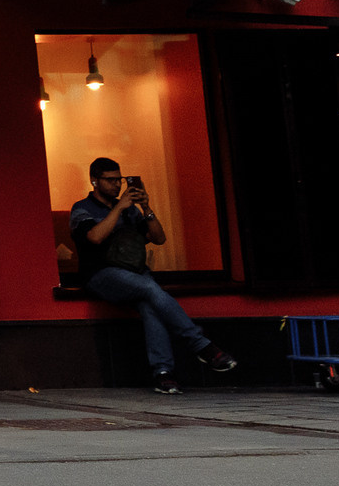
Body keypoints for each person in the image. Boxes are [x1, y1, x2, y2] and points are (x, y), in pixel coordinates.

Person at [68, 157, 236, 393]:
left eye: (120, 179)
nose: (117, 185)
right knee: (149, 289)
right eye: (111, 180)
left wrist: (146, 209)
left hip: (135, 274)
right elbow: (94, 238)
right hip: (101, 275)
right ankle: (201, 345)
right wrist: (118, 208)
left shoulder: (131, 211)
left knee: (149, 304)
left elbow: (158, 238)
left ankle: (163, 373)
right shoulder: (82, 208)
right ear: (94, 181)